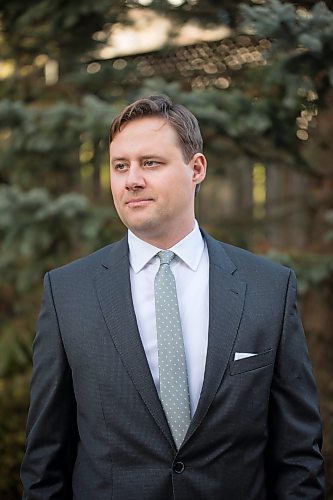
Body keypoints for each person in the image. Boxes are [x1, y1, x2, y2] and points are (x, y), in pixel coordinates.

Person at [21, 94, 325, 499]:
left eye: (150, 163)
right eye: (119, 166)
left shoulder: (268, 287)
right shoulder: (68, 293)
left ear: (196, 168)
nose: (132, 179)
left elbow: (298, 457)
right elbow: (45, 463)